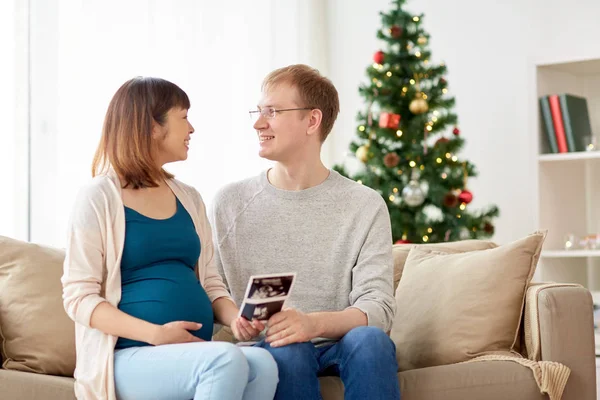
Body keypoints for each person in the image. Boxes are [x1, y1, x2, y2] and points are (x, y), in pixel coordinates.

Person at [61, 77, 278, 400]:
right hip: (126, 357)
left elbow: (211, 283)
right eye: (184, 117)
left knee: (263, 362)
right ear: (151, 127)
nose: (191, 129)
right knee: (224, 360)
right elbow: (78, 298)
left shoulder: (189, 198)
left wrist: (237, 320)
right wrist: (156, 334)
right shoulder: (98, 197)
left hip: (189, 355)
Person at [210, 64, 400, 400]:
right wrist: (238, 318)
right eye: (258, 111)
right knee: (290, 349)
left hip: (341, 342)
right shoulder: (231, 202)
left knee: (371, 341)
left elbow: (378, 309)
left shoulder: (364, 205)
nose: (258, 123)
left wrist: (312, 324)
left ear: (312, 121)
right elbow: (212, 290)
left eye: (272, 112)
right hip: (270, 347)